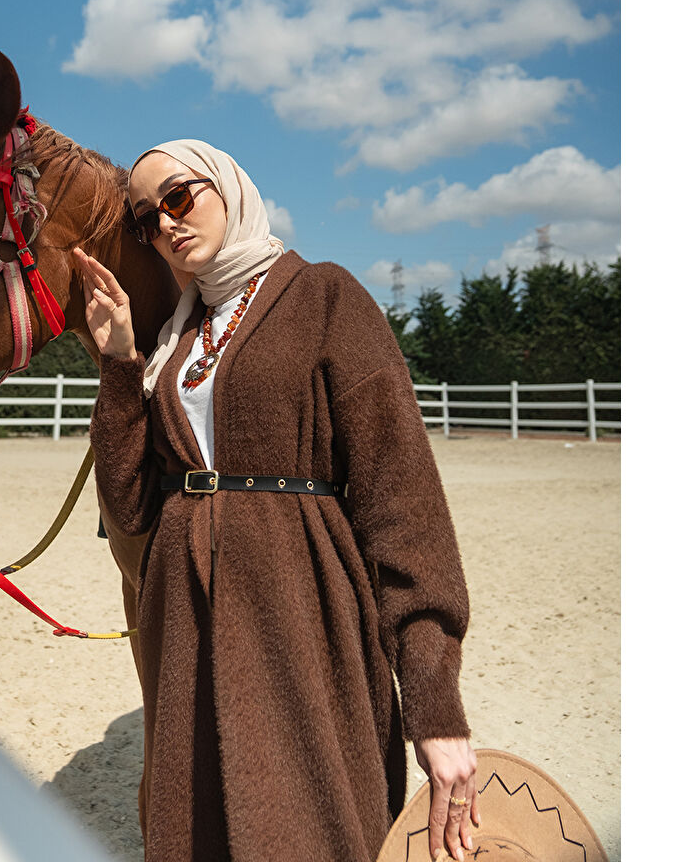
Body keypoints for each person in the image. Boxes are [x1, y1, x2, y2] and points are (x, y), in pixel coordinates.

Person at [74, 140, 478, 862]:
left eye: (178, 196)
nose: (164, 223)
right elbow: (130, 508)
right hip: (184, 624)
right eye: (144, 220)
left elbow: (402, 502)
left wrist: (435, 709)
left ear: (229, 187)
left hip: (298, 609)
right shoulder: (175, 340)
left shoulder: (324, 296)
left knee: (309, 824)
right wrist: (120, 367)